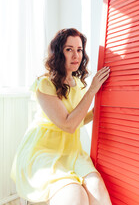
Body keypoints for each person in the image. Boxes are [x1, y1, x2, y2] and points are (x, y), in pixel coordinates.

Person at [11, 28, 112, 205]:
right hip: (45, 151)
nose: (76, 55)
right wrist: (92, 90)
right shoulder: (45, 84)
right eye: (69, 49)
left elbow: (78, 118)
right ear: (59, 52)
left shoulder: (79, 83)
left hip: (72, 152)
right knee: (76, 195)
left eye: (79, 50)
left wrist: (96, 112)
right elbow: (68, 124)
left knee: (98, 191)